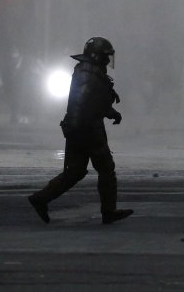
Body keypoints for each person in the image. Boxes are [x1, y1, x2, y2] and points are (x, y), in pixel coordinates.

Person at [28, 37, 134, 225]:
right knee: (106, 169)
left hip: (81, 128)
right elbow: (82, 102)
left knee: (75, 171)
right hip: (88, 129)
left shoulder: (89, 72)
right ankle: (108, 211)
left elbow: (95, 101)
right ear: (97, 56)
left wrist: (110, 112)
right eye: (105, 56)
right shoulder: (88, 74)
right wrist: (81, 128)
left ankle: (41, 198)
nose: (108, 61)